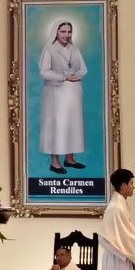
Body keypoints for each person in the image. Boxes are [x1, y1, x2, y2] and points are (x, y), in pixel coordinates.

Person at [39, 20, 88, 175]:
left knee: (72, 124)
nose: (66, 35)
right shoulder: (49, 50)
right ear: (56, 32)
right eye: (63, 31)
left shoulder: (75, 49)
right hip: (56, 94)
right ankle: (55, 162)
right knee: (57, 125)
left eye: (69, 32)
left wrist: (75, 76)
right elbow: (44, 72)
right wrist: (64, 77)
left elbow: (83, 69)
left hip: (73, 93)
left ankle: (70, 159)